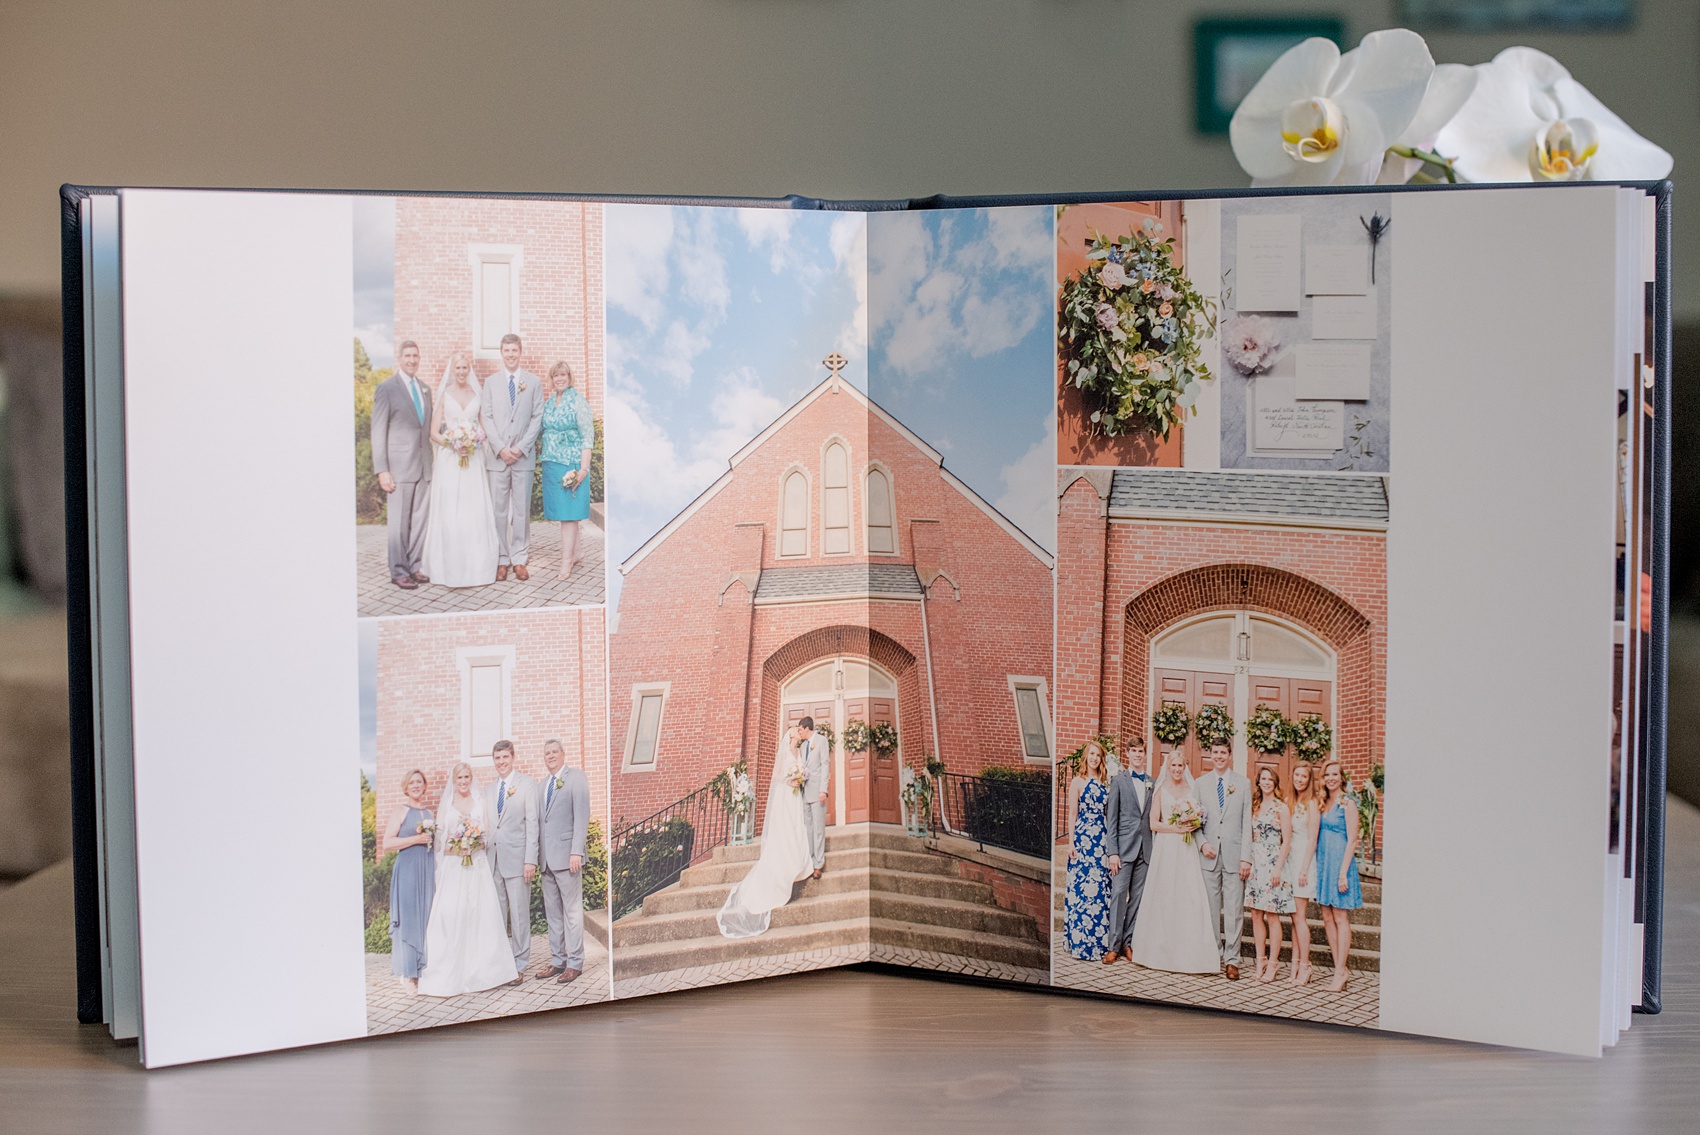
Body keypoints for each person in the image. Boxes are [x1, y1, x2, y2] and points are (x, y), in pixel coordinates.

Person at [417, 762, 519, 996]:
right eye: (459, 777)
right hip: (454, 867)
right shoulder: (448, 804)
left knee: (480, 915)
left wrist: (473, 843)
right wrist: (457, 847)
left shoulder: (479, 800)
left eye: (466, 777)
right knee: (453, 916)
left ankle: (487, 973)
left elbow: (486, 833)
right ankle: (449, 976)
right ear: (454, 780)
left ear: (471, 778)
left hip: (477, 866)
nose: (463, 781)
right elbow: (440, 839)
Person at [1128, 748, 1221, 973]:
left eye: (1180, 766)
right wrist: (1177, 828)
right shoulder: (1160, 790)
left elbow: (1199, 820)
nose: (1177, 770)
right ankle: (1160, 952)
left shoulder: (1192, 789)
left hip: (1187, 849)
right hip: (1167, 847)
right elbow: (1153, 824)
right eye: (1174, 766)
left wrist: (1193, 821)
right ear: (1168, 768)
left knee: (1188, 895)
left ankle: (1191, 953)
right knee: (1165, 894)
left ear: (1184, 767)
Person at [717, 727, 815, 937]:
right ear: (790, 736)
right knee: (787, 830)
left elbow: (800, 772)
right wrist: (792, 780)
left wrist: (801, 778)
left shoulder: (800, 752)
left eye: (800, 730)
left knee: (798, 828)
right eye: (796, 730)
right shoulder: (786, 753)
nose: (799, 732)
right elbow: (779, 777)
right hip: (787, 796)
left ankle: (801, 861)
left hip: (796, 797)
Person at [420, 351, 499, 587]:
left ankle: (477, 568)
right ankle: (449, 568)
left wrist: (473, 441)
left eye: (465, 368)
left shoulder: (477, 394)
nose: (462, 372)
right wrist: (454, 444)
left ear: (469, 370)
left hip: (472, 460)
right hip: (450, 460)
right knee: (451, 510)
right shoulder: (445, 394)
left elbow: (484, 428)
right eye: (458, 368)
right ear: (452, 370)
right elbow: (433, 432)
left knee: (473, 510)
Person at [479, 333, 546, 582]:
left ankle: (519, 558)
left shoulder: (533, 382)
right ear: (501, 352)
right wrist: (500, 448)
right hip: (497, 458)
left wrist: (520, 448)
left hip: (523, 457)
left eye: (514, 350)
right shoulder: (491, 383)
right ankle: (501, 558)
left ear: (520, 352)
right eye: (506, 350)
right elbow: (486, 417)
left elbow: (537, 417)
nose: (510, 355)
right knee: (498, 511)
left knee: (521, 510)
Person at [370, 339, 432, 589]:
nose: (412, 360)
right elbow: (377, 431)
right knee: (398, 523)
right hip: (398, 467)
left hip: (424, 466)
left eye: (415, 355)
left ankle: (414, 566)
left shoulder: (425, 388)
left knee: (419, 522)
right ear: (399, 358)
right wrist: (382, 469)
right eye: (407, 355)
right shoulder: (387, 388)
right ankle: (398, 571)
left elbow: (427, 428)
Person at [1192, 739, 1253, 980]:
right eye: (1215, 752)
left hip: (1234, 856)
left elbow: (1246, 823)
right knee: (1210, 909)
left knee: (1234, 910)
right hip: (1208, 856)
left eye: (1223, 752)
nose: (1219, 756)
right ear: (1211, 755)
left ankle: (1232, 960)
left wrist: (1246, 858)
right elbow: (1194, 821)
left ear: (1230, 755)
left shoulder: (1243, 783)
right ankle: (1213, 955)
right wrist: (1202, 843)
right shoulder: (1200, 784)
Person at [535, 739, 591, 984]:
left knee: (572, 912)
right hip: (546, 860)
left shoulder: (576, 777)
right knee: (554, 914)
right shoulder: (541, 786)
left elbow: (581, 816)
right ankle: (558, 961)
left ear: (563, 754)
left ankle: (575, 962)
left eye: (554, 752)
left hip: (568, 858)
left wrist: (576, 851)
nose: (550, 756)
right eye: (546, 753)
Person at [485, 740, 539, 980]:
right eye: (497, 758)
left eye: (505, 757)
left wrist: (530, 860)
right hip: (492, 861)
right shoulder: (489, 790)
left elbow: (532, 824)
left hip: (518, 861)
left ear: (513, 757)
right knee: (497, 916)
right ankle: (500, 964)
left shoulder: (526, 784)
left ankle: (519, 965)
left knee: (518, 915)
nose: (501, 762)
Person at [538, 361, 595, 580]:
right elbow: (539, 430)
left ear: (569, 377)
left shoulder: (578, 401)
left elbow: (587, 436)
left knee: (569, 516)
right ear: (551, 379)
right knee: (564, 514)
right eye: (555, 376)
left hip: (571, 463)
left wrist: (583, 469)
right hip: (551, 463)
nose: (559, 379)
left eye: (563, 375)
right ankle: (577, 552)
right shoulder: (550, 402)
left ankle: (566, 561)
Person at [1102, 736, 1154, 964]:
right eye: (1133, 751)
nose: (1137, 755)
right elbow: (1111, 819)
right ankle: (1113, 946)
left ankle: (1128, 943)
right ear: (1128, 754)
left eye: (1141, 751)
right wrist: (1112, 852)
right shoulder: (1119, 781)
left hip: (1146, 849)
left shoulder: (1152, 782)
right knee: (1119, 895)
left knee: (1138, 899)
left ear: (1145, 754)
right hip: (1123, 850)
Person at [382, 769, 436, 993]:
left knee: (426, 917)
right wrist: (416, 838)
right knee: (410, 919)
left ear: (424, 786)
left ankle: (422, 970)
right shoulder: (400, 811)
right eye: (412, 782)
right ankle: (409, 975)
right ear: (406, 786)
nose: (416, 785)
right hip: (407, 871)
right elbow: (387, 843)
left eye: (419, 782)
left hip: (426, 871)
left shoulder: (429, 814)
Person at [1315, 760, 1365, 992]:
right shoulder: (1324, 802)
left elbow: (1353, 839)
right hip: (1324, 863)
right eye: (1328, 774)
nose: (1331, 778)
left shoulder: (1348, 803)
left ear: (1341, 777)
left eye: (1335, 774)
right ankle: (1339, 969)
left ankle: (1340, 970)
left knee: (1340, 917)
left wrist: (1343, 873)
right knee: (1326, 917)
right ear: (1323, 778)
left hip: (1340, 865)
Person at [1063, 739, 1112, 961]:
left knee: (1100, 889)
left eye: (1098, 755)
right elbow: (1072, 814)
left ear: (1102, 759)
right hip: (1083, 839)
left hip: (1101, 839)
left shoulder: (1105, 783)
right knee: (1082, 890)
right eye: (1091, 754)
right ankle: (1081, 943)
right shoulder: (1078, 782)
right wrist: (1071, 843)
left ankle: (1099, 942)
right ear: (1086, 757)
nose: (1094, 758)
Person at [1245, 766, 1294, 983]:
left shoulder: (1281, 808)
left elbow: (1287, 841)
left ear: (1275, 783)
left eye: (1270, 779)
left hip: (1273, 864)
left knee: (1272, 915)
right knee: (1256, 914)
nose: (1266, 782)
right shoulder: (1254, 806)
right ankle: (1260, 959)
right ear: (1258, 782)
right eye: (1263, 779)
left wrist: (1278, 868)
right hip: (1256, 864)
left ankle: (1273, 963)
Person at [1284, 761, 1322, 986]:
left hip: (1303, 863)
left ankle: (1306, 965)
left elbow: (1312, 838)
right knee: (1293, 916)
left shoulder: (1312, 803)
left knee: (1300, 916)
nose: (1299, 780)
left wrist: (1305, 869)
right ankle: (1295, 963)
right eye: (1297, 775)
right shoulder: (1289, 801)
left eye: (1304, 777)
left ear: (1309, 780)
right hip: (1289, 861)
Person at [799, 717, 830, 878]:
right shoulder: (803, 746)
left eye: (800, 729)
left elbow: (825, 764)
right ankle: (809, 862)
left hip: (817, 791)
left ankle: (818, 864)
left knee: (818, 828)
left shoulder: (821, 741)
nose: (799, 732)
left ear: (807, 728)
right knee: (808, 829)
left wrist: (823, 790)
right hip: (804, 793)